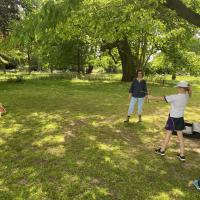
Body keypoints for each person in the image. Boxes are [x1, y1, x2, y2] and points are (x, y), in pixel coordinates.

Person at [148, 81, 192, 161]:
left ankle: (162, 150)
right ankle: (182, 155)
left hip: (172, 118)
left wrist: (151, 97)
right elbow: (189, 91)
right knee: (180, 136)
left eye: (178, 87)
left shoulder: (175, 97)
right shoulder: (186, 96)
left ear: (182, 88)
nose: (177, 88)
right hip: (180, 118)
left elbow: (162, 98)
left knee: (168, 134)